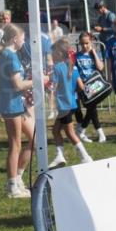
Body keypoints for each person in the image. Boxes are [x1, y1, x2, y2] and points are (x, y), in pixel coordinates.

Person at [0, 25, 36, 197]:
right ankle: (12, 187)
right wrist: (37, 80)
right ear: (15, 39)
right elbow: (17, 84)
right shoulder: (10, 55)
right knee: (15, 145)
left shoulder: (9, 54)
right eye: (23, 38)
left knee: (35, 138)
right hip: (11, 105)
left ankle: (18, 178)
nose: (24, 41)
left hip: (16, 103)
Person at [48, 39, 93, 167]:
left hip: (64, 106)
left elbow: (53, 87)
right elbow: (81, 86)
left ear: (59, 53)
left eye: (53, 52)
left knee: (70, 133)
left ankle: (85, 157)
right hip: (72, 104)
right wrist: (71, 90)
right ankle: (60, 156)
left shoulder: (57, 68)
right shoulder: (73, 67)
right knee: (56, 130)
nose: (51, 55)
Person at [74, 32, 106, 142]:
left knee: (92, 108)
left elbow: (100, 67)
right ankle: (96, 133)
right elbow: (74, 71)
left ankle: (82, 131)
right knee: (87, 108)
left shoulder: (94, 54)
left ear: (91, 42)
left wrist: (94, 53)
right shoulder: (76, 56)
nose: (84, 46)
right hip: (81, 85)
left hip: (94, 84)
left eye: (87, 43)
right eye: (82, 44)